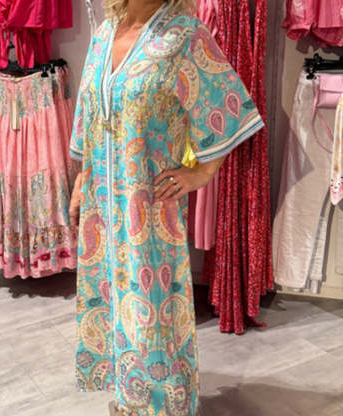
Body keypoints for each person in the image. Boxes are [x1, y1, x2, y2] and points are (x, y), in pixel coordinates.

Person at [68, 0, 263, 414]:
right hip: (102, 206)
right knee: (112, 297)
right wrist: (83, 178)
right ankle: (129, 396)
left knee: (154, 311)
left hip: (151, 209)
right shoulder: (104, 34)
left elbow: (227, 105)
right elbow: (89, 113)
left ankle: (166, 404)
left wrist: (203, 172)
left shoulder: (184, 35)